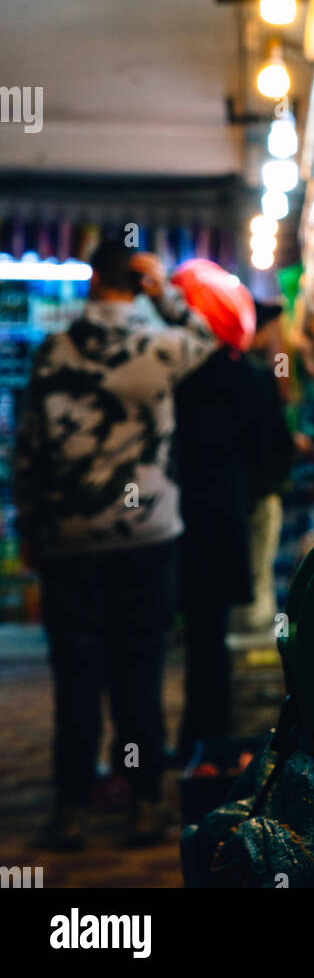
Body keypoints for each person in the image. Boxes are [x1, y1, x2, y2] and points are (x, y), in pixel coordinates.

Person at [13, 240, 217, 849]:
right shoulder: (160, 344)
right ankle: (144, 799)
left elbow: (28, 450)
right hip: (147, 535)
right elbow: (210, 337)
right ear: (136, 282)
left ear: (89, 282)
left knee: (76, 674)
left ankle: (72, 807)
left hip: (70, 538)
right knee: (139, 670)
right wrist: (168, 296)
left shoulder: (54, 352)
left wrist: (30, 527)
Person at [173, 325, 292, 760]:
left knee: (199, 636)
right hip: (228, 516)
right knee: (216, 636)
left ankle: (194, 738)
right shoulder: (251, 377)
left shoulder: (179, 376)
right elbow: (271, 447)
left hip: (179, 519)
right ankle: (215, 737)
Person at [230, 300, 295, 637]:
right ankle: (251, 644)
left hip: (236, 493)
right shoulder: (258, 377)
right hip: (261, 490)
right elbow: (276, 435)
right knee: (258, 572)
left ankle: (243, 644)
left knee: (248, 571)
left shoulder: (226, 373)